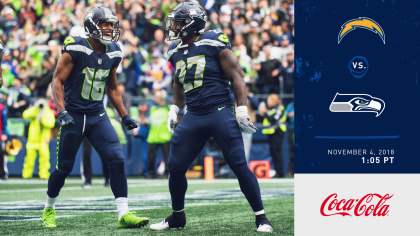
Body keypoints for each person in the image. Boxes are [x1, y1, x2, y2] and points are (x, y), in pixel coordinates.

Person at [150, 2, 272, 233]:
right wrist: (175, 108)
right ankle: (177, 217)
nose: (173, 27)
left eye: (178, 23)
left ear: (191, 24)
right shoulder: (175, 51)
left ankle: (261, 217)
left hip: (219, 111)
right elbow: (178, 81)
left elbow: (236, 76)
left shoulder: (214, 40)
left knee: (238, 164)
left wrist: (241, 109)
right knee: (175, 167)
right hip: (193, 114)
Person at [42, 7, 149, 229]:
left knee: (117, 160)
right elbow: (57, 81)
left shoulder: (114, 51)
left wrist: (124, 115)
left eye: (111, 24)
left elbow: (112, 88)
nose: (109, 29)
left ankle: (123, 213)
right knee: (64, 168)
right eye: (104, 24)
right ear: (91, 26)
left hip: (97, 115)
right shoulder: (76, 47)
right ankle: (49, 208)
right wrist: (61, 111)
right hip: (73, 115)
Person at [22, 98, 55, 179]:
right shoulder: (34, 111)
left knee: (44, 159)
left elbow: (51, 124)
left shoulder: (48, 113)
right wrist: (35, 108)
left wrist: (42, 119)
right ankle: (26, 174)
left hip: (43, 140)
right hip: (32, 140)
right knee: (29, 159)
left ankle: (44, 175)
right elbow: (25, 115)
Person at [260, 94, 286, 178]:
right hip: (270, 133)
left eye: (269, 100)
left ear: (274, 101)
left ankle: (280, 172)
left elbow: (274, 119)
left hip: (277, 132)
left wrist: (265, 113)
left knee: (277, 152)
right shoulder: (269, 109)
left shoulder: (280, 108)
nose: (268, 102)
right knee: (273, 153)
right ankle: (276, 171)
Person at [146, 89, 171, 179]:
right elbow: (147, 120)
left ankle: (167, 174)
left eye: (157, 96)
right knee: (150, 157)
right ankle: (151, 173)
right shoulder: (152, 108)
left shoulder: (168, 108)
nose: (155, 98)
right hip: (153, 136)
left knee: (167, 157)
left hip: (165, 136)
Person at [285, 101, 294, 177]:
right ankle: (291, 170)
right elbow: (286, 116)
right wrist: (289, 115)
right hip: (292, 130)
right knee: (292, 150)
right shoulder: (290, 105)